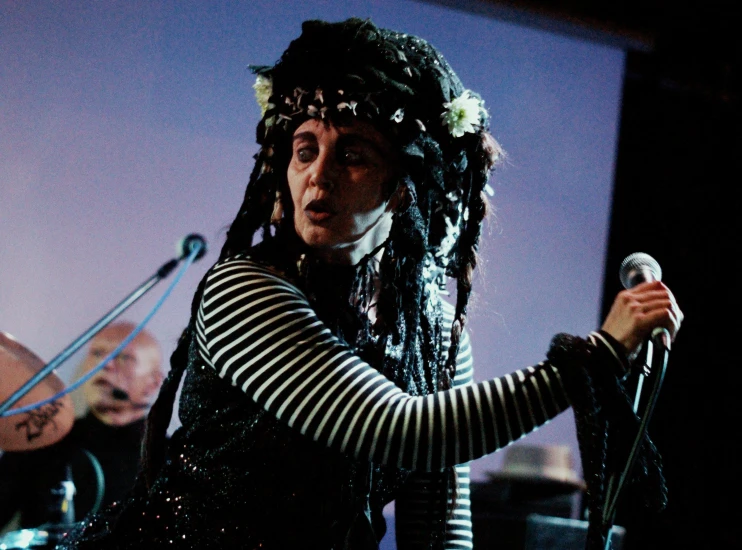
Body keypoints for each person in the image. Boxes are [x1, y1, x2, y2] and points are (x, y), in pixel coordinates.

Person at [59, 18, 682, 550]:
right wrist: (594, 359)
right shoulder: (243, 290)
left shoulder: (433, 340)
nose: (317, 176)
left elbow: (437, 532)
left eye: (353, 153)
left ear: (405, 184)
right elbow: (395, 428)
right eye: (305, 149)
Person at [0, 321, 163, 535]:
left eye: (124, 357)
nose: (105, 364)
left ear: (153, 383)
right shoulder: (39, 437)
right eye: (97, 353)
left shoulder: (169, 459)